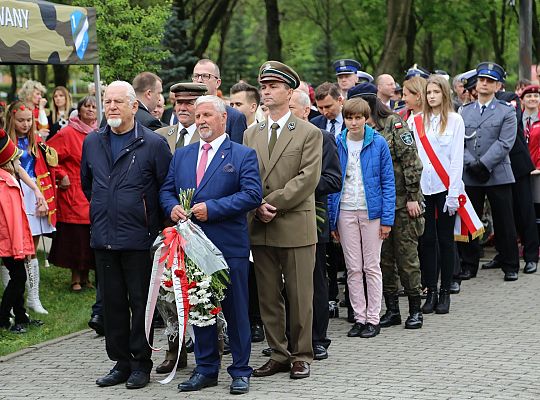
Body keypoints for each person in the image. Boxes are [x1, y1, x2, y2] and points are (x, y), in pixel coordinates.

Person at [160, 95, 262, 394]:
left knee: (235, 309)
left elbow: (252, 194)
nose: (201, 120)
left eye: (206, 115)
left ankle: (241, 370)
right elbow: (166, 191)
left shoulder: (242, 155)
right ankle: (206, 369)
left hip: (228, 246)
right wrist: (171, 208)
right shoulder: (182, 155)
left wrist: (213, 208)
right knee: (201, 308)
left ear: (223, 119)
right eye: (197, 115)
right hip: (191, 247)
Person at [81, 81, 172, 390]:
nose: (112, 107)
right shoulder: (93, 142)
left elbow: (164, 189)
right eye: (107, 101)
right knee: (113, 303)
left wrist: (149, 224)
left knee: (140, 303)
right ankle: (120, 362)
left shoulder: (153, 144)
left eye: (119, 101)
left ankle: (141, 363)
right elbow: (88, 185)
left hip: (139, 239)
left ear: (135, 106)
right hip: (104, 237)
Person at [244, 61, 322, 379]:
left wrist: (268, 203)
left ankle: (302, 354)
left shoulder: (309, 132)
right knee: (268, 294)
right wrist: (255, 206)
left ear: (290, 92)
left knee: (300, 294)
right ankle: (278, 353)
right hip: (260, 226)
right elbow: (246, 177)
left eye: (273, 86)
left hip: (294, 224)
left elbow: (307, 179)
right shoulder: (251, 134)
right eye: (263, 86)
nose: (266, 91)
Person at [348, 82, 425, 329]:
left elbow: (412, 162)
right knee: (384, 260)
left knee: (407, 257)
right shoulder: (358, 129)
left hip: (403, 202)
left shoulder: (394, 124)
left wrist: (413, 196)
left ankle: (415, 309)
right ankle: (392, 309)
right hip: (377, 205)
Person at [328, 97, 395, 338]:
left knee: (371, 266)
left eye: (358, 118)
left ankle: (373, 318)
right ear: (344, 119)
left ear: (366, 119)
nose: (354, 122)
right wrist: (332, 220)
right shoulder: (337, 142)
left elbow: (388, 182)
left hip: (371, 211)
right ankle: (359, 317)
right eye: (349, 118)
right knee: (353, 268)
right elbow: (333, 183)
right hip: (345, 209)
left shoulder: (378, 143)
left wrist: (387, 220)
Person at [289, 89, 341, 359]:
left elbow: (333, 180)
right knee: (286, 285)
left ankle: (318, 338)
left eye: (291, 108)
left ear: (305, 111)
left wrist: (300, 188)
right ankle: (291, 339)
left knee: (314, 281)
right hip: (282, 219)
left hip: (312, 217)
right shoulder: (279, 137)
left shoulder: (323, 138)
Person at [459, 62, 520, 282]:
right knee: (469, 221)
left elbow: (505, 143)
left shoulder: (506, 111)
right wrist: (471, 164)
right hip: (470, 174)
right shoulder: (463, 111)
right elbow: (459, 143)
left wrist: (484, 164)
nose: (484, 84)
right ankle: (468, 264)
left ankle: (510, 264)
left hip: (497, 173)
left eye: (490, 81)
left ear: (498, 86)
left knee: (504, 221)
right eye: (482, 80)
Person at [411, 75, 465, 314]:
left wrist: (454, 192)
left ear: (444, 94)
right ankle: (430, 291)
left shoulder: (455, 120)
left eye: (436, 92)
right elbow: (413, 159)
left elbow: (456, 159)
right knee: (427, 241)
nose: (432, 96)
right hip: (424, 187)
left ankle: (445, 292)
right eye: (428, 92)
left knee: (445, 240)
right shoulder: (415, 121)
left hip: (445, 188)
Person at [6, 100, 57, 315]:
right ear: (11, 119)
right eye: (21, 120)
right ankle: (11, 300)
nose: (25, 124)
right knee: (11, 250)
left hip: (33, 191)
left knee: (31, 247)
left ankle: (33, 298)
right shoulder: (6, 141)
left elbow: (44, 168)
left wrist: (41, 194)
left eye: (29, 120)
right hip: (11, 192)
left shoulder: (35, 141)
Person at [47, 96, 97, 292]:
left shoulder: (99, 133)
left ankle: (86, 277)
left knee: (89, 237)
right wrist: (61, 174)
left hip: (92, 193)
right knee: (76, 238)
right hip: (73, 193)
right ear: (79, 110)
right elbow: (48, 152)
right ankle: (75, 278)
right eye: (87, 106)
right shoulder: (68, 132)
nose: (91, 110)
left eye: (94, 107)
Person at [0, 129, 42, 334]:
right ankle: (2, 317)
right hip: (9, 242)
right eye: (17, 159)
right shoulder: (6, 183)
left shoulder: (7, 180)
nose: (20, 163)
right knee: (18, 279)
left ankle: (20, 316)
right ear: (8, 162)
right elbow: (12, 221)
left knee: (17, 276)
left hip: (9, 241)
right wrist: (20, 248)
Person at [192, 59, 247, 143]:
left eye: (205, 76)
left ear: (218, 83)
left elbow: (237, 153)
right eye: (196, 76)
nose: (199, 80)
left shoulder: (234, 117)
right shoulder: (187, 113)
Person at [155, 83, 207, 152]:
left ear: (200, 105)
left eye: (189, 103)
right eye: (179, 102)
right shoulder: (159, 135)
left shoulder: (207, 137)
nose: (182, 108)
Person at [522, 85, 540, 168]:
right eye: (529, 96)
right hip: (519, 169)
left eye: (536, 96)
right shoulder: (515, 119)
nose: (533, 98)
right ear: (522, 100)